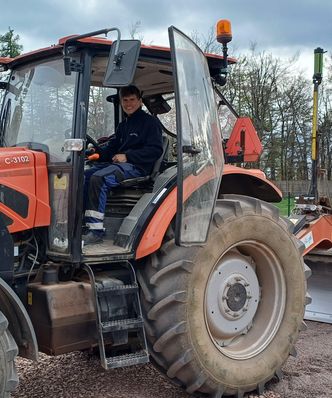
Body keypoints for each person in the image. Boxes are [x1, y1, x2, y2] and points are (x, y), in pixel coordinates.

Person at [83, 85, 163, 244]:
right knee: (84, 176)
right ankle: (83, 224)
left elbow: (155, 150)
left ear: (139, 101)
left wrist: (127, 156)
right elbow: (112, 150)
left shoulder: (150, 123)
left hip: (138, 167)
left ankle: (96, 231)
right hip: (121, 165)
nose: (128, 104)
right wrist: (95, 153)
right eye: (125, 100)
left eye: (132, 100)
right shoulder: (123, 126)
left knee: (99, 178)